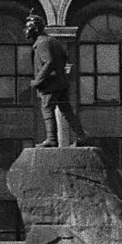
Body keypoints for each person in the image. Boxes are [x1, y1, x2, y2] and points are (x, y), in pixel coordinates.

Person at [24, 13, 87, 147]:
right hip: (61, 83)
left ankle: (52, 139)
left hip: (50, 85)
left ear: (35, 29)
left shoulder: (42, 43)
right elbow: (64, 58)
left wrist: (38, 80)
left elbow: (49, 62)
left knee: (47, 108)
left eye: (28, 27)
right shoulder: (53, 41)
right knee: (66, 111)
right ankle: (82, 136)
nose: (26, 31)